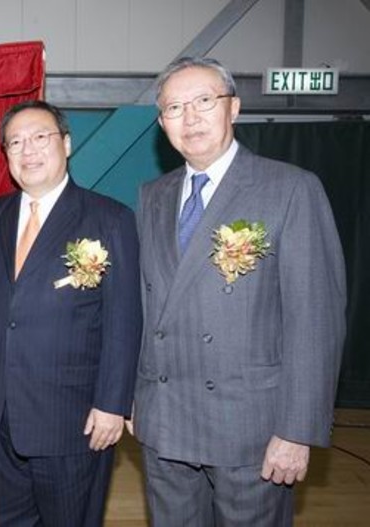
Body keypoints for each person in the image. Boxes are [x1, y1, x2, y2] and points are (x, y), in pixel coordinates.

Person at [132, 57, 346, 526]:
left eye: (204, 101)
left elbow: (316, 320)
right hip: (165, 420)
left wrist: (297, 430)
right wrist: (135, 402)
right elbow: (145, 309)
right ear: (162, 122)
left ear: (234, 108)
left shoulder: (290, 188)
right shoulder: (153, 195)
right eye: (173, 108)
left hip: (251, 427)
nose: (190, 118)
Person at [0, 100, 142, 526]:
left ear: (67, 143)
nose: (28, 151)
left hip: (72, 421)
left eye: (40, 137)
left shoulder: (110, 219)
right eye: (15, 143)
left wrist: (113, 404)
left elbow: (125, 320)